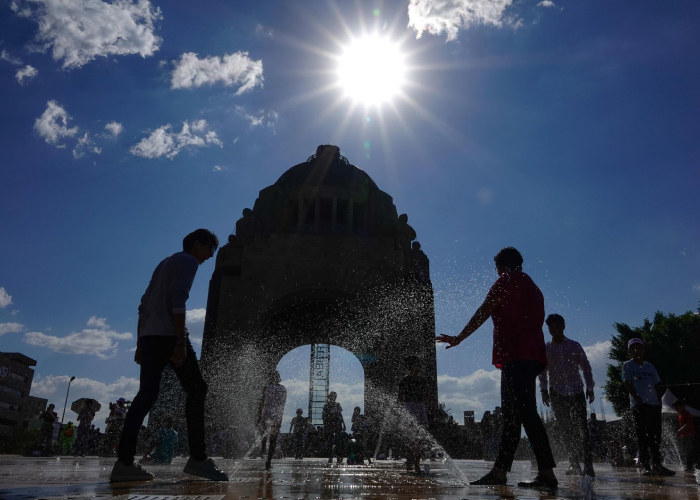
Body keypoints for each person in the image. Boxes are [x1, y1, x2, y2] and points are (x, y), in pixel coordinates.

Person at [110, 228, 228, 483]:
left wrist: (140, 343)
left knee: (146, 396)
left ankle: (124, 463)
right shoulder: (188, 261)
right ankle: (198, 459)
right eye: (210, 249)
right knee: (197, 389)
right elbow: (178, 301)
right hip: (169, 336)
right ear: (198, 244)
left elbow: (143, 304)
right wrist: (179, 342)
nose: (209, 256)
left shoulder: (165, 262)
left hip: (150, 337)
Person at [437, 247, 558, 489]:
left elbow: (485, 310)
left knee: (526, 414)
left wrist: (459, 337)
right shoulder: (533, 286)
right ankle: (500, 472)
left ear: (501, 267)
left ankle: (546, 474)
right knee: (513, 417)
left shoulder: (506, 281)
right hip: (531, 356)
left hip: (516, 356)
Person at [538, 313, 596, 477]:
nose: (554, 329)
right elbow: (542, 372)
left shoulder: (574, 345)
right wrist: (543, 391)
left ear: (563, 326)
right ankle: (574, 463)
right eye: (551, 326)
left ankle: (589, 464)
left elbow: (586, 367)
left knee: (582, 427)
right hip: (556, 391)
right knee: (565, 429)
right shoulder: (546, 348)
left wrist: (590, 387)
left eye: (557, 325)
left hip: (576, 390)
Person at [622, 338, 675, 476]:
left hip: (654, 405)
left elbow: (657, 384)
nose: (636, 350)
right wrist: (637, 398)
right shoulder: (628, 365)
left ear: (644, 350)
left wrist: (658, 400)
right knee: (643, 436)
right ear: (629, 351)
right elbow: (627, 383)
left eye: (639, 348)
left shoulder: (650, 366)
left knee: (656, 436)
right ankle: (645, 465)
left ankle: (657, 464)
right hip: (639, 405)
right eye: (633, 348)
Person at [397, 355, 430, 474]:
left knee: (418, 439)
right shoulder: (405, 380)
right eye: (417, 365)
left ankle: (414, 463)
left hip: (419, 407)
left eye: (419, 365)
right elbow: (400, 397)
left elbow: (427, 396)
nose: (419, 367)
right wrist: (400, 412)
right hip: (409, 408)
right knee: (411, 439)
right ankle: (412, 462)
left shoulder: (422, 380)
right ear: (410, 367)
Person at [257, 370, 287, 469]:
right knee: (273, 439)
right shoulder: (283, 389)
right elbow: (282, 406)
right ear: (279, 378)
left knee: (264, 434)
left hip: (266, 414)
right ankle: (268, 462)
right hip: (277, 416)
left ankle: (263, 450)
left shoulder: (266, 387)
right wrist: (280, 419)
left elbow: (261, 402)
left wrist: (259, 416)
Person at [672, 399, 698, 472]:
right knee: (685, 451)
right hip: (685, 435)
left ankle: (689, 467)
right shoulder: (681, 414)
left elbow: (689, 424)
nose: (676, 410)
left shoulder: (686, 414)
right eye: (675, 408)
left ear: (683, 406)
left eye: (677, 408)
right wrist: (680, 433)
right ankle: (688, 466)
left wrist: (680, 430)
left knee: (688, 451)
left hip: (690, 435)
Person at [322, 391, 346, 464]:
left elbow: (340, 415)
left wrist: (343, 424)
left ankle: (338, 456)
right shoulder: (326, 406)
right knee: (330, 442)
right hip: (329, 426)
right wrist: (325, 425)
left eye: (334, 396)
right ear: (329, 397)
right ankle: (330, 457)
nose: (333, 398)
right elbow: (324, 416)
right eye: (332, 396)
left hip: (337, 425)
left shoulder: (337, 405)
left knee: (338, 442)